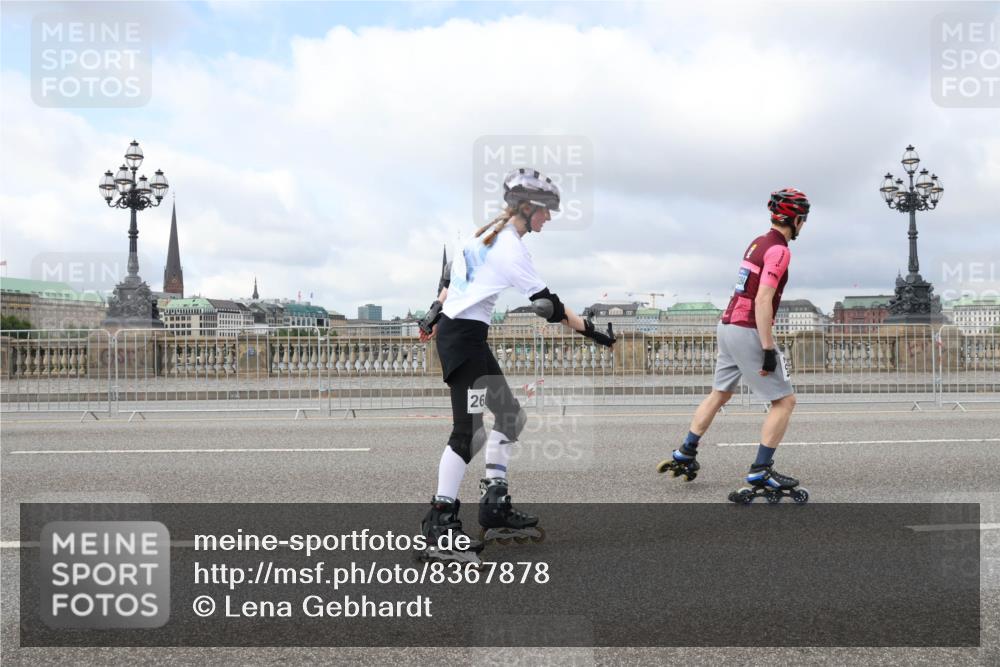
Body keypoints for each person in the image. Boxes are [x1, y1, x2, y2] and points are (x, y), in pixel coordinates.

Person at [417, 168, 616, 563]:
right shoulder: (510, 247)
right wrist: (592, 332)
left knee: (510, 417)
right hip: (465, 339)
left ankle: (494, 502)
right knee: (468, 432)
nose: (549, 218)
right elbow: (547, 306)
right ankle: (440, 525)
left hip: (465, 336)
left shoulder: (480, 235)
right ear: (527, 208)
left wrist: (435, 312)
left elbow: (448, 281)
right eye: (546, 211)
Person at [657, 188, 811, 504]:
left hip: (726, 325)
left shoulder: (757, 242)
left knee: (720, 393)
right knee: (785, 401)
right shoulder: (780, 251)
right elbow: (764, 298)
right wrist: (768, 348)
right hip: (747, 329)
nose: (804, 226)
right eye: (804, 220)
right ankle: (761, 469)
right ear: (795, 219)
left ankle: (685, 451)